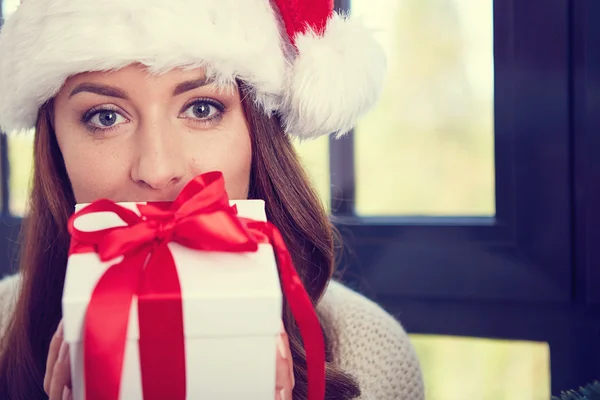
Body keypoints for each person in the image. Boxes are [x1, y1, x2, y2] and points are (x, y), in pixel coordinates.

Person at [0, 0, 425, 399]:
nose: (157, 168)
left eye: (202, 109)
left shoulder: (370, 354)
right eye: (105, 116)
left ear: (257, 134)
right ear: (54, 143)